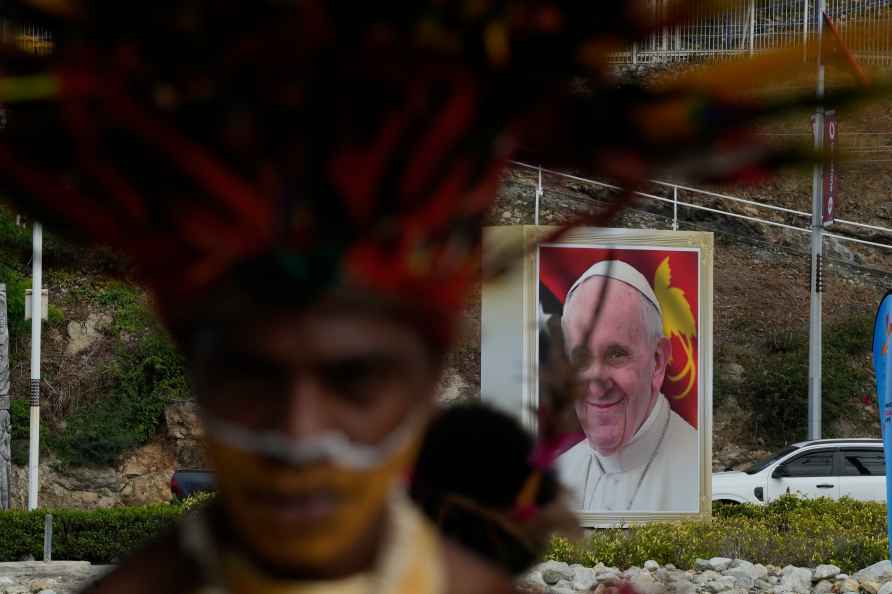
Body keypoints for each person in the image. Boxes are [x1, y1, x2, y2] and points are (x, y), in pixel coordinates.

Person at [556, 260, 699, 513]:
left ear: (657, 362)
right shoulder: (556, 477)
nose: (597, 386)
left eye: (616, 354)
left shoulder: (699, 472)